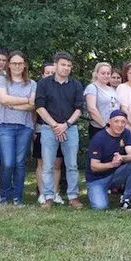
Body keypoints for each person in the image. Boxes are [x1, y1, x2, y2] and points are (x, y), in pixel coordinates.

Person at [35, 51, 84, 209]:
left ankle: (73, 197)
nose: (66, 68)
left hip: (70, 129)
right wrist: (55, 125)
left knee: (72, 165)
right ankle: (48, 196)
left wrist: (66, 125)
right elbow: (39, 107)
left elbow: (79, 109)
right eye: (63, 65)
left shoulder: (76, 85)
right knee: (48, 165)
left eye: (69, 66)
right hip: (49, 129)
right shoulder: (44, 84)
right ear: (55, 65)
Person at [0, 51, 37, 206]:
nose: (17, 66)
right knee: (7, 162)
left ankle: (18, 198)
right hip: (5, 126)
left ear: (25, 64)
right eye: (14, 63)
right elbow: (3, 99)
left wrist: (13, 105)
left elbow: (33, 105)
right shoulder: (2, 80)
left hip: (25, 127)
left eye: (20, 63)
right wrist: (25, 101)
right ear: (9, 65)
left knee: (19, 163)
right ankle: (5, 196)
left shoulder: (32, 83)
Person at [85, 110, 131, 210]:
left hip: (115, 175)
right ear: (109, 122)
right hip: (97, 179)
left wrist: (122, 157)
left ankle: (126, 200)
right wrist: (112, 164)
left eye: (123, 122)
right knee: (100, 207)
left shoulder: (126, 133)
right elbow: (94, 167)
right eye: (116, 121)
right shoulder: (99, 138)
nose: (120, 125)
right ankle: (100, 192)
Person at [33, 64, 63, 205]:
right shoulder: (40, 87)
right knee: (43, 163)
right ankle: (43, 193)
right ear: (43, 74)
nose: (50, 74)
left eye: (53, 72)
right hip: (42, 129)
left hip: (61, 130)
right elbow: (35, 110)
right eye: (47, 72)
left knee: (57, 163)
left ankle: (54, 192)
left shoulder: (62, 87)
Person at [84, 62, 120, 139]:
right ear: (96, 74)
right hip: (99, 128)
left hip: (114, 128)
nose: (106, 76)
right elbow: (92, 109)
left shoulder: (111, 89)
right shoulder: (92, 88)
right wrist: (105, 126)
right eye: (103, 73)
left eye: (108, 73)